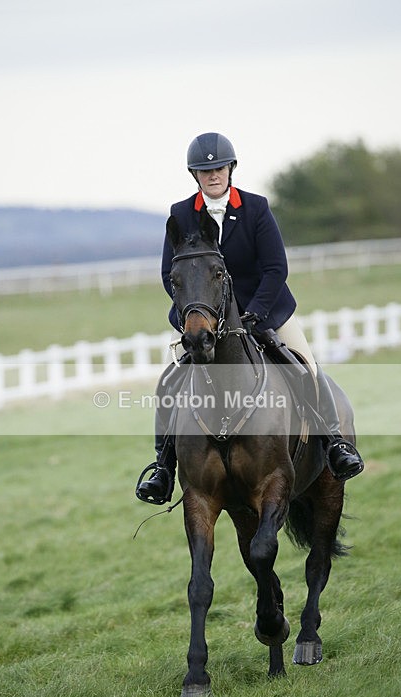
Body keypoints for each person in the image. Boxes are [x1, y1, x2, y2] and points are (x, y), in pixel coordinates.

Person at [136, 132, 363, 504]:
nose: (213, 175)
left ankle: (335, 443)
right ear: (195, 175)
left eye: (219, 168)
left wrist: (255, 312)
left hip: (266, 309)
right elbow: (169, 274)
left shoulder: (256, 208)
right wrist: (197, 313)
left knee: (305, 365)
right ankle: (163, 466)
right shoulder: (181, 214)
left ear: (231, 169)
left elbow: (276, 268)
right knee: (170, 380)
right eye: (205, 170)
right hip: (207, 320)